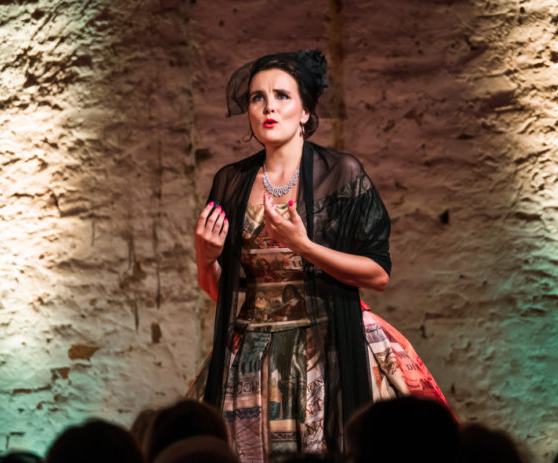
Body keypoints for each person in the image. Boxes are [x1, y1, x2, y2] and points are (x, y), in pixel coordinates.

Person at [191, 49, 449, 461]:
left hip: (329, 342)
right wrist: (206, 258)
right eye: (258, 98)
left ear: (306, 111)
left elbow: (378, 274)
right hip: (254, 353)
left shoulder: (340, 173)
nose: (269, 107)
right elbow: (221, 292)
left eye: (282, 96)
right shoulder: (231, 181)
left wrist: (305, 246)